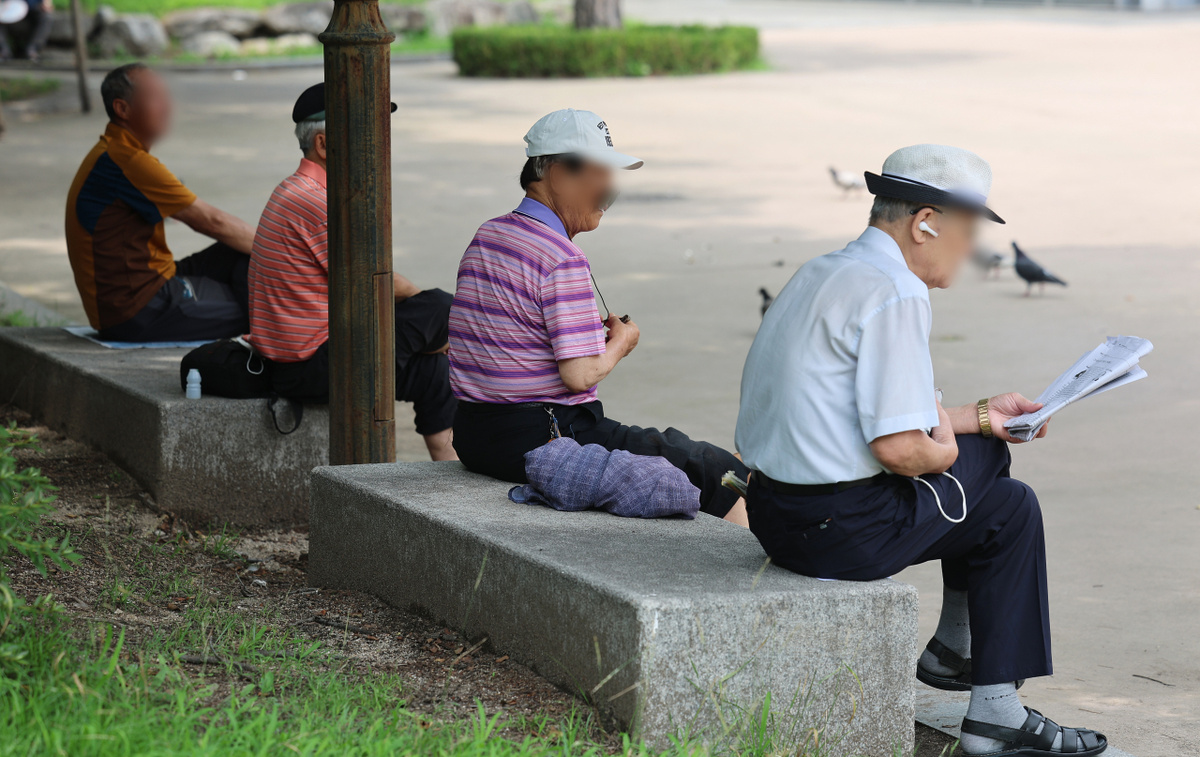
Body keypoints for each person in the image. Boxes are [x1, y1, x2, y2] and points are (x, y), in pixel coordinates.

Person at [735, 145, 1106, 756]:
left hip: (775, 513)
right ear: (925, 222)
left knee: (1009, 508)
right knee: (988, 466)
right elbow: (902, 449)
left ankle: (982, 694)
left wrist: (982, 416)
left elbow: (865, 413)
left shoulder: (824, 271)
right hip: (839, 532)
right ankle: (965, 672)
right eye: (966, 231)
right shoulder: (896, 290)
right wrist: (953, 452)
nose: (970, 248)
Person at [448, 108, 749, 524]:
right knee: (712, 468)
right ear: (557, 172)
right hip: (542, 437)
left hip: (475, 435)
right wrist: (620, 344)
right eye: (602, 174)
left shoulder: (490, 234)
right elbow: (579, 374)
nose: (610, 190)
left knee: (682, 451)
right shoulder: (561, 257)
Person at [246, 83, 457, 461]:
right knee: (442, 308)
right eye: (366, 133)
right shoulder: (314, 201)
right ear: (324, 145)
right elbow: (381, 282)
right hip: (310, 367)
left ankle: (449, 468)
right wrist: (437, 322)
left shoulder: (300, 190)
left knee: (433, 368)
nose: (377, 143)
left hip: (316, 355)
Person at [65, 63, 257, 342]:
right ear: (123, 109)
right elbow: (212, 222)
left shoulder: (116, 151)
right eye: (156, 98)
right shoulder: (128, 161)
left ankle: (257, 303)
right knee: (271, 310)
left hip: (155, 279)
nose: (168, 107)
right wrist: (288, 254)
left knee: (242, 255)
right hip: (136, 310)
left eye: (167, 97)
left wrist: (274, 251)